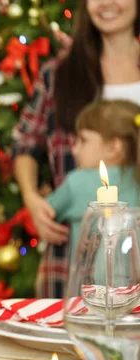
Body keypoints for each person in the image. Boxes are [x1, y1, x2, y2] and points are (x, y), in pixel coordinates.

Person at [13, 0, 140, 297]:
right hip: (70, 259)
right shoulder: (59, 74)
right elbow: (25, 143)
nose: (106, 3)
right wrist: (32, 199)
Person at [45, 100, 140, 262]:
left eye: (83, 140)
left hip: (88, 284)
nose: (75, 150)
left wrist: (42, 196)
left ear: (113, 147)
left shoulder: (77, 182)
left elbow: (45, 213)